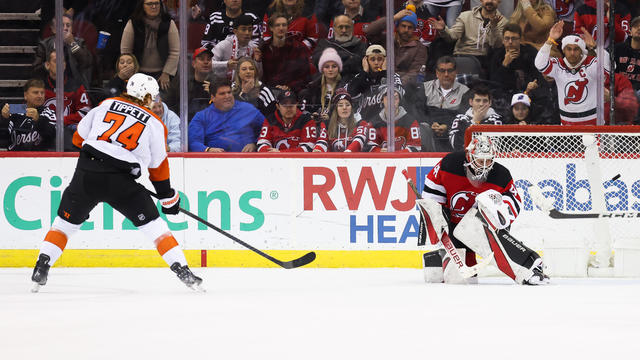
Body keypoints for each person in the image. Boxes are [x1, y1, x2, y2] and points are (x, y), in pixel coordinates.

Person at [30, 73, 204, 292]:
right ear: (147, 95)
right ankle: (184, 272)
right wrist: (168, 197)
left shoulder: (105, 105)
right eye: (154, 96)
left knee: (64, 225)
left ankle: (41, 267)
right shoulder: (155, 123)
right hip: (121, 182)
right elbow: (158, 168)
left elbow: (77, 139)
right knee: (154, 227)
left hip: (87, 172)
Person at [419, 135, 549, 285]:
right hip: (453, 225)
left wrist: (497, 212)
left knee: (486, 212)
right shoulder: (450, 164)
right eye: (481, 160)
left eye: (489, 160)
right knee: (458, 279)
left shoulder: (501, 175)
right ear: (469, 156)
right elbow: (432, 194)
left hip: (482, 226)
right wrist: (437, 219)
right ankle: (436, 259)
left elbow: (514, 201)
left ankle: (528, 266)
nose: (486, 165)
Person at [535, 20, 610, 125]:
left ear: (582, 51)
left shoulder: (590, 64)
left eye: (576, 49)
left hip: (593, 122)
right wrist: (550, 40)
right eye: (569, 49)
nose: (572, 53)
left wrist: (595, 47)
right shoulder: (559, 65)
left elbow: (607, 64)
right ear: (564, 50)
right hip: (567, 123)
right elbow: (539, 64)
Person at [189, 80, 265, 152]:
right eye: (222, 93)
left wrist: (255, 144)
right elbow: (193, 142)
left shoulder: (248, 109)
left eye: (229, 92)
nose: (227, 96)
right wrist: (208, 150)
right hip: (216, 161)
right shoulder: (202, 116)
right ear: (213, 98)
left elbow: (267, 130)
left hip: (248, 160)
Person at [120, 0, 180, 91]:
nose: (154, 6)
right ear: (142, 6)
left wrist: (167, 73)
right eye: (149, 4)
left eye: (156, 3)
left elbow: (175, 52)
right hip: (137, 73)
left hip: (162, 75)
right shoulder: (133, 23)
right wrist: (132, 73)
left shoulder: (168, 23)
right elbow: (126, 52)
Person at [429, 0, 507, 67]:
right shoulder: (465, 16)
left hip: (485, 58)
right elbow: (452, 37)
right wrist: (443, 30)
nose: (489, 1)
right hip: (463, 54)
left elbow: (498, 45)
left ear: (499, 1)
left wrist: (494, 27)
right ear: (481, 0)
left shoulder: (503, 22)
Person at [362, 7, 429, 85]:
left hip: (403, 88)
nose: (406, 30)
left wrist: (396, 84)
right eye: (403, 26)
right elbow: (369, 31)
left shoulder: (420, 48)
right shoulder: (387, 39)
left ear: (414, 29)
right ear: (397, 26)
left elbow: (414, 73)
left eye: (410, 27)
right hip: (378, 82)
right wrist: (393, 18)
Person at [415, 56, 468, 152]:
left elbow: (465, 116)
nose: (446, 74)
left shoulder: (465, 91)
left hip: (453, 134)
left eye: (450, 71)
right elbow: (418, 112)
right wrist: (430, 124)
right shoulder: (425, 88)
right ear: (437, 73)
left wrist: (448, 126)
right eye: (442, 71)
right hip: (428, 133)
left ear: (456, 72)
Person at [41, 49, 92, 148]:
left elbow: (85, 112)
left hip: (68, 130)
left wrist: (60, 120)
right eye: (56, 61)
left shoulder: (76, 86)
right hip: (43, 130)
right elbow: (26, 108)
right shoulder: (39, 85)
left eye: (62, 61)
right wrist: (10, 109)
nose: (60, 64)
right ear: (47, 65)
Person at [33, 13, 93, 88]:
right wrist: (48, 65)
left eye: (68, 25)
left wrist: (72, 43)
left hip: (75, 88)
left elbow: (87, 63)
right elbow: (36, 70)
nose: (65, 28)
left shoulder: (80, 43)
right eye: (61, 25)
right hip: (52, 87)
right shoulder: (45, 45)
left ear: (72, 29)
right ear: (53, 29)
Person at [346, 44, 403, 123]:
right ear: (366, 61)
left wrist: (383, 73)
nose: (376, 63)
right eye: (372, 59)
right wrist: (364, 72)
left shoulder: (393, 76)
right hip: (363, 122)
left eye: (380, 59)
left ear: (385, 61)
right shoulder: (360, 77)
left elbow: (395, 98)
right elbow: (350, 93)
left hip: (385, 121)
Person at [260, 13, 314, 93]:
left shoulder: (298, 48)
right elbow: (261, 76)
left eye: (284, 25)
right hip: (268, 91)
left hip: (292, 92)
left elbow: (305, 77)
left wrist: (289, 87)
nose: (281, 28)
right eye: (277, 25)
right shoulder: (264, 49)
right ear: (271, 28)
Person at [0, 79, 57, 151]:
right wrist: (4, 118)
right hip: (14, 157)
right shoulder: (15, 109)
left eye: (42, 93)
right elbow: (3, 138)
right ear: (25, 95)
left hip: (40, 157)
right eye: (36, 92)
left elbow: (53, 135)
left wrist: (39, 120)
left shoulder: (49, 112)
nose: (40, 96)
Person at [257, 90, 321, 152]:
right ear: (278, 106)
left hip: (299, 162)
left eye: (292, 104)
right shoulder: (270, 120)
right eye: (284, 105)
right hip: (275, 161)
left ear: (297, 105)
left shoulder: (307, 120)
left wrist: (280, 154)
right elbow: (262, 144)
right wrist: (271, 153)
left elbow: (308, 148)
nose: (288, 108)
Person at [313, 14, 367, 82]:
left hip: (351, 82)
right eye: (340, 27)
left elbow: (360, 63)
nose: (344, 30)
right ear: (334, 28)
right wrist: (346, 56)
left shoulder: (361, 45)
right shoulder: (324, 43)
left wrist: (333, 56)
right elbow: (316, 60)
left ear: (352, 28)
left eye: (347, 27)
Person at [367, 85, 421, 152]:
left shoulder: (411, 122)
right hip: (382, 161)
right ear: (382, 100)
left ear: (399, 101)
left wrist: (396, 155)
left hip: (404, 161)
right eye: (389, 98)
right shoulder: (374, 123)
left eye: (395, 98)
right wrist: (379, 151)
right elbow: (369, 147)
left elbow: (416, 147)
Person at [164, 47, 213, 122]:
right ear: (193, 64)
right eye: (202, 59)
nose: (206, 62)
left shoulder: (216, 84)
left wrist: (212, 94)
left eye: (209, 59)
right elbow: (169, 105)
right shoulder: (181, 83)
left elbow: (222, 109)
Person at [448, 85, 503, 150]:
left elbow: (497, 146)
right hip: (464, 158)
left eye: (485, 101)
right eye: (478, 100)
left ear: (490, 103)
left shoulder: (497, 120)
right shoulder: (460, 119)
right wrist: (475, 121)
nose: (481, 104)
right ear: (471, 102)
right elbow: (456, 144)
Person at [300, 48, 345, 123]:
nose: (330, 70)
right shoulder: (312, 89)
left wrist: (331, 116)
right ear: (322, 69)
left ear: (338, 68)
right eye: (327, 67)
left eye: (334, 66)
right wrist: (312, 115)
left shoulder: (345, 87)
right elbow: (304, 111)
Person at [212, 14, 262, 80]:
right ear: (235, 31)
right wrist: (226, 64)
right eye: (243, 29)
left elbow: (259, 76)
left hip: (244, 85)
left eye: (250, 30)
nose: (247, 33)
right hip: (222, 83)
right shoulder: (224, 45)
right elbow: (210, 64)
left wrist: (258, 61)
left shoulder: (254, 48)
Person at [615, 16, 640, 92]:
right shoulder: (617, 49)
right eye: (636, 26)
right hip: (617, 89)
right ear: (630, 31)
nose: (639, 28)